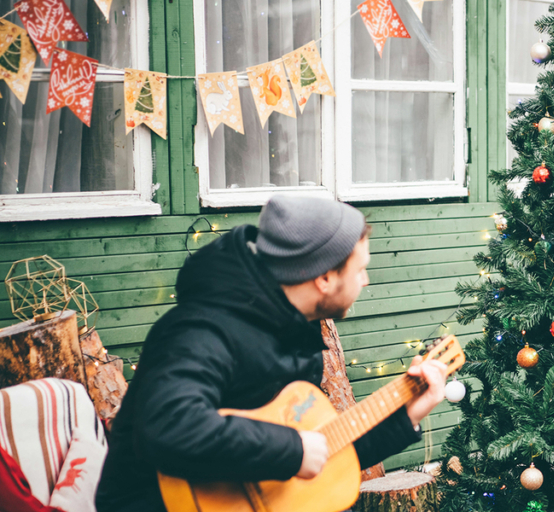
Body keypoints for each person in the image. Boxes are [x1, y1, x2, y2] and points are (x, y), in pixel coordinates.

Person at [96, 196, 449, 512]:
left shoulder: (296, 329)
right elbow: (170, 427)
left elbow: (322, 454)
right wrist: (292, 450)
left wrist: (408, 414)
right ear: (325, 278)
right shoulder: (201, 328)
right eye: (360, 270)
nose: (366, 280)